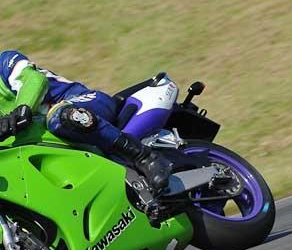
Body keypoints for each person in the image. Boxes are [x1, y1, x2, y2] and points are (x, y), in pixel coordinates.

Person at [0, 51, 172, 192]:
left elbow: (34, 81)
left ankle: (145, 157)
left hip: (84, 102)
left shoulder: (6, 62)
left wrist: (21, 111)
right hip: (48, 139)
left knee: (59, 116)